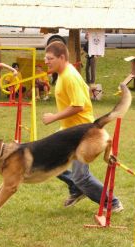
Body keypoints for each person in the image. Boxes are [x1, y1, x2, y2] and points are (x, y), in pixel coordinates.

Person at [42, 41, 123, 212]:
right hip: (69, 130)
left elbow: (78, 105)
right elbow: (85, 89)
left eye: (50, 58)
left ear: (62, 57)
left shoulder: (69, 76)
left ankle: (112, 202)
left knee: (81, 176)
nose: (46, 61)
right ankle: (77, 190)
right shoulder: (66, 73)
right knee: (49, 162)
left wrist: (54, 117)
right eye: (46, 58)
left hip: (82, 135)